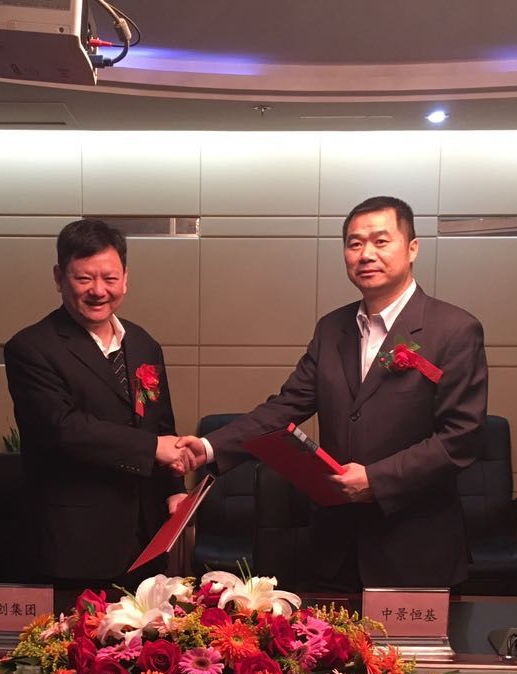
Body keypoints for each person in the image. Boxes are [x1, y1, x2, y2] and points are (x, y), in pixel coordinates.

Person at [178, 196, 487, 590]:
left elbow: (461, 437)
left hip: (415, 546)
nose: (366, 254)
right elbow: (285, 407)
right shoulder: (332, 329)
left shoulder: (454, 330)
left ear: (412, 248)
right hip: (335, 546)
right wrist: (208, 447)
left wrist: (376, 479)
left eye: (381, 241)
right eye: (354, 243)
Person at [4, 218, 188, 588]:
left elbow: (160, 422)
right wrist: (153, 447)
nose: (98, 291)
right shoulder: (31, 348)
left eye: (110, 278)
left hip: (146, 538)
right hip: (76, 543)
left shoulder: (143, 343)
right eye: (84, 278)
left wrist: (175, 488)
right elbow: (64, 429)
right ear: (59, 277)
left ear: (126, 278)